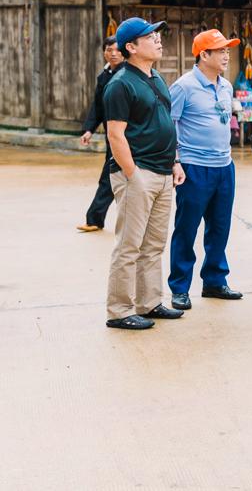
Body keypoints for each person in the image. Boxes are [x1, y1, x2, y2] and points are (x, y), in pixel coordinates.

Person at [102, 17, 185, 330]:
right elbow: (115, 135)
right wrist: (132, 173)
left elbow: (165, 123)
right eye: (149, 36)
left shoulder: (156, 78)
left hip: (163, 172)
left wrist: (174, 162)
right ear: (131, 47)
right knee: (129, 246)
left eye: (157, 35)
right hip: (138, 174)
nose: (158, 39)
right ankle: (119, 310)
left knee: (153, 245)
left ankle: (149, 303)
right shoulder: (120, 84)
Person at [167, 29, 244, 310]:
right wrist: (174, 161)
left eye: (227, 50)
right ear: (204, 55)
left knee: (219, 228)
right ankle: (179, 287)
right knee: (186, 229)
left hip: (224, 167)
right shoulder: (183, 87)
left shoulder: (226, 86)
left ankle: (214, 280)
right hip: (193, 168)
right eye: (220, 50)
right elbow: (169, 126)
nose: (226, 55)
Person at [77, 36, 124, 232]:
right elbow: (98, 107)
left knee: (111, 176)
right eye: (108, 50)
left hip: (127, 136)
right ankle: (95, 218)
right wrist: (89, 129)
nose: (113, 53)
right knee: (113, 176)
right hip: (111, 136)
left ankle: (95, 218)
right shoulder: (104, 76)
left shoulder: (127, 75)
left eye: (116, 50)